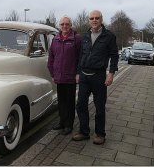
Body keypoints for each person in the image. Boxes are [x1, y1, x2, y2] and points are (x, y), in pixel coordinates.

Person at [72, 10, 119, 144]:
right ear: (89, 20)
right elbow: (80, 56)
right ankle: (84, 131)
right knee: (81, 105)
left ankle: (100, 134)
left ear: (101, 19)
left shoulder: (109, 36)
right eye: (91, 18)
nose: (94, 20)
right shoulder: (85, 36)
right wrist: (77, 73)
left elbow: (114, 55)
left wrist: (111, 74)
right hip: (84, 76)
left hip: (99, 76)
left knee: (99, 107)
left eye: (97, 18)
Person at [47, 16, 81, 135]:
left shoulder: (76, 39)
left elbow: (81, 58)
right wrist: (52, 73)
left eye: (67, 24)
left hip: (70, 77)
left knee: (70, 102)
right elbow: (51, 58)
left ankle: (68, 125)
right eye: (62, 24)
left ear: (70, 25)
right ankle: (61, 122)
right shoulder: (55, 39)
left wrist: (78, 73)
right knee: (61, 101)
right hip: (59, 77)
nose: (64, 26)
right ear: (59, 26)